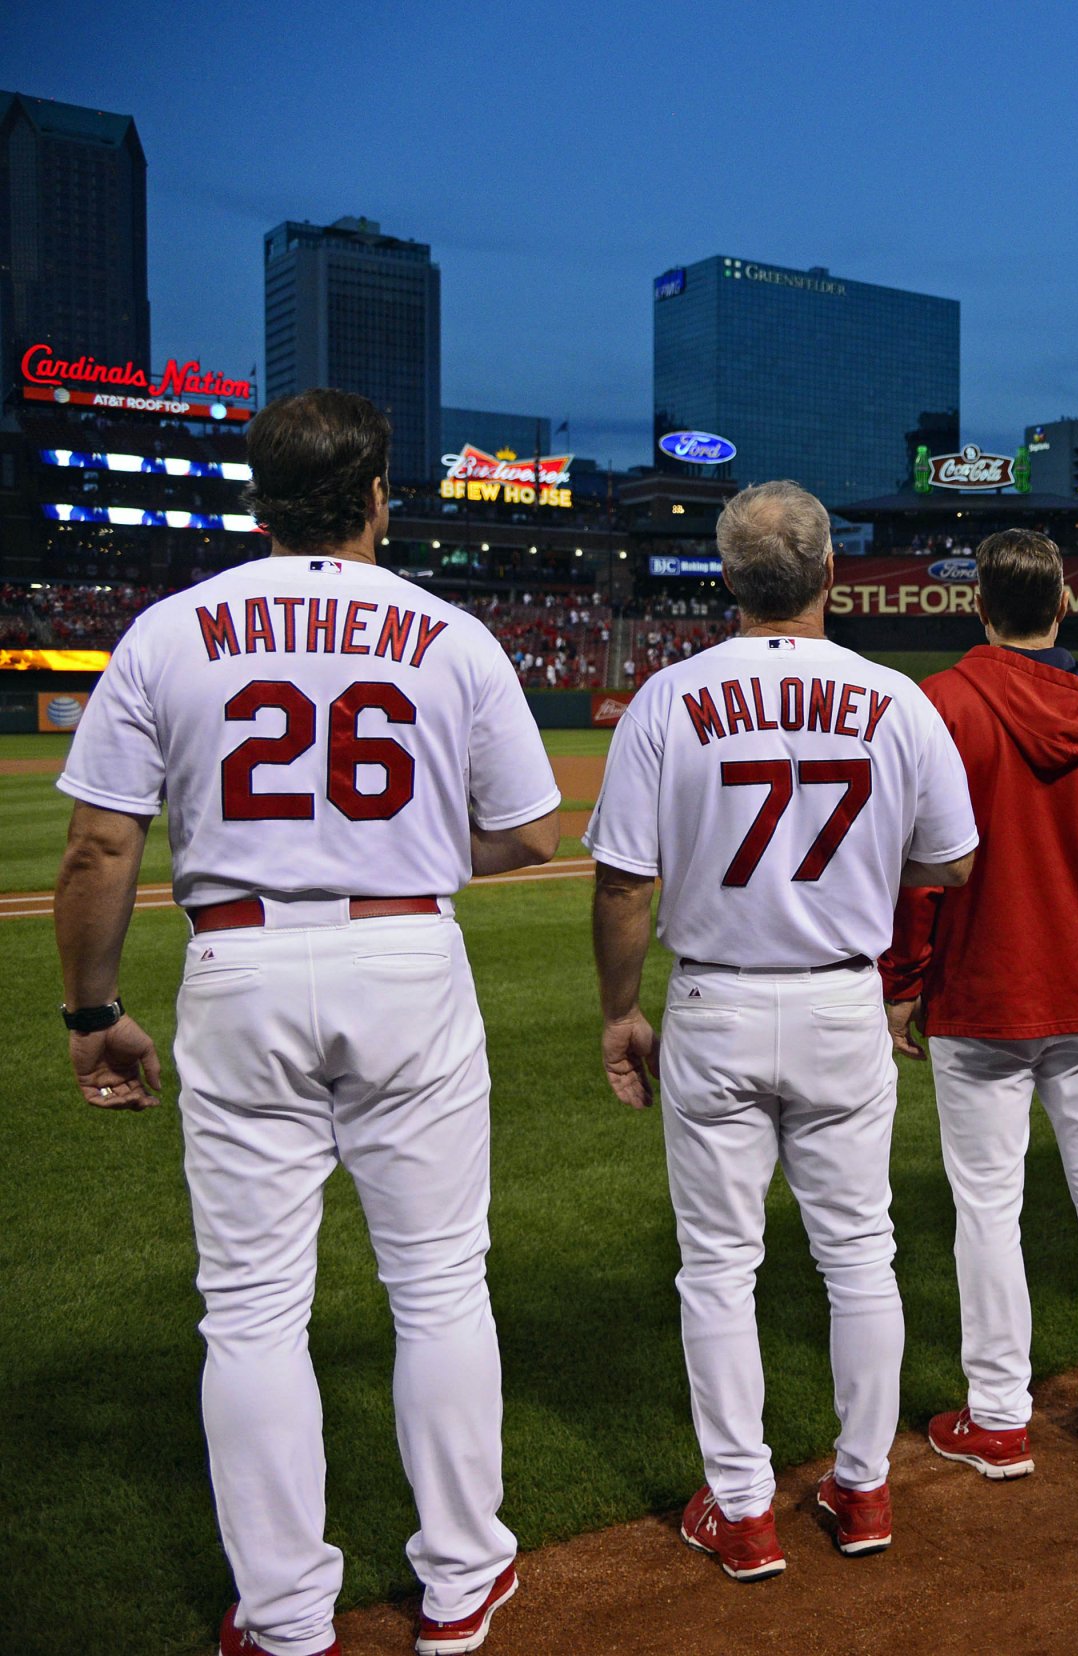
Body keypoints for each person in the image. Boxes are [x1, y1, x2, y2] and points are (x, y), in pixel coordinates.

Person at [53, 389, 560, 1656]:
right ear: (380, 495)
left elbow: (100, 844)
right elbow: (534, 832)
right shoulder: (448, 633)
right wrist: (411, 845)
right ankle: (458, 1584)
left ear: (259, 503)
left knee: (251, 1312)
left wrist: (93, 1012)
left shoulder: (172, 631)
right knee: (441, 1288)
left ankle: (284, 1617)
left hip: (239, 966)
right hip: (405, 955)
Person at [586, 481, 980, 1577]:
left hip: (712, 998)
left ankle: (745, 1509)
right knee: (859, 1254)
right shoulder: (897, 700)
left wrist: (621, 1012)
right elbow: (951, 860)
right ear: (830, 575)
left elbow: (624, 885)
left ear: (728, 579)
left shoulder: (670, 696)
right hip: (841, 997)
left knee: (718, 1267)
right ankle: (861, 1492)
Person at [877, 529, 1078, 1478]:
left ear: (980, 609)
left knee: (988, 1207)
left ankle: (999, 1415)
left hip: (982, 992)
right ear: (1062, 609)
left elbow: (916, 874)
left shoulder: (945, 706)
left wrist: (902, 984)